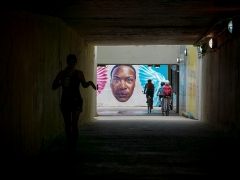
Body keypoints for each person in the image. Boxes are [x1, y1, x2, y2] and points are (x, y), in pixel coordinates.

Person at [52, 54, 97, 154]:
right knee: (68, 124)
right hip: (65, 100)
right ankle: (69, 145)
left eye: (74, 62)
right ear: (67, 62)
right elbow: (53, 86)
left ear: (75, 63)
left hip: (76, 100)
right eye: (70, 62)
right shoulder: (62, 73)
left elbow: (84, 85)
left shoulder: (79, 73)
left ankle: (73, 147)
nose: (72, 64)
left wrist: (90, 83)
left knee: (74, 123)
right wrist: (61, 83)